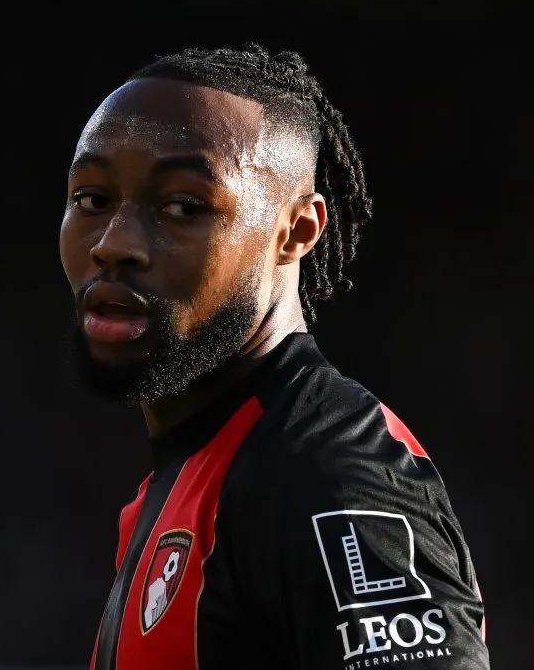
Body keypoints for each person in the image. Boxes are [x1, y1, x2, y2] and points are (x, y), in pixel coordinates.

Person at [60, 43, 489, 670]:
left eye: (183, 206)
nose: (114, 242)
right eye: (92, 199)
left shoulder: (327, 474)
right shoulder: (194, 478)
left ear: (298, 231)